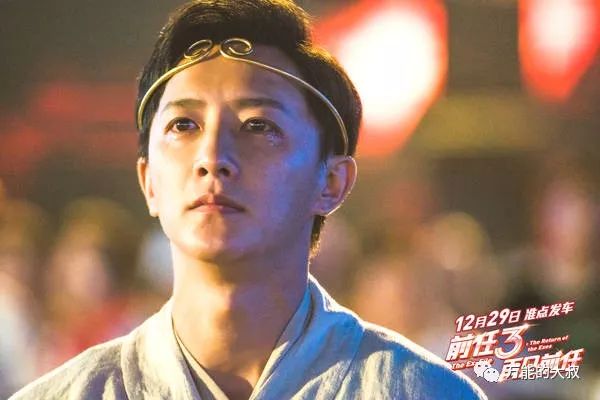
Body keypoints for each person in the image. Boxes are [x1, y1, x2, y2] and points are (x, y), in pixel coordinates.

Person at [10, 1, 486, 399]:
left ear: (332, 182)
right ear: (149, 180)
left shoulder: (421, 391)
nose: (212, 158)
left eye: (259, 125)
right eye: (183, 125)